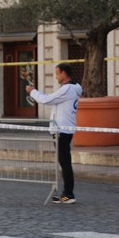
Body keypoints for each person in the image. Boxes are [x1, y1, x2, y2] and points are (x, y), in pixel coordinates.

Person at [26, 63, 83, 204]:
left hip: (62, 130)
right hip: (64, 128)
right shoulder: (74, 88)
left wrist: (32, 91)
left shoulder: (67, 89)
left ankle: (68, 194)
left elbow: (46, 99)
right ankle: (65, 193)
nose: (56, 76)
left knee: (65, 163)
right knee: (64, 162)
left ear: (64, 74)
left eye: (57, 73)